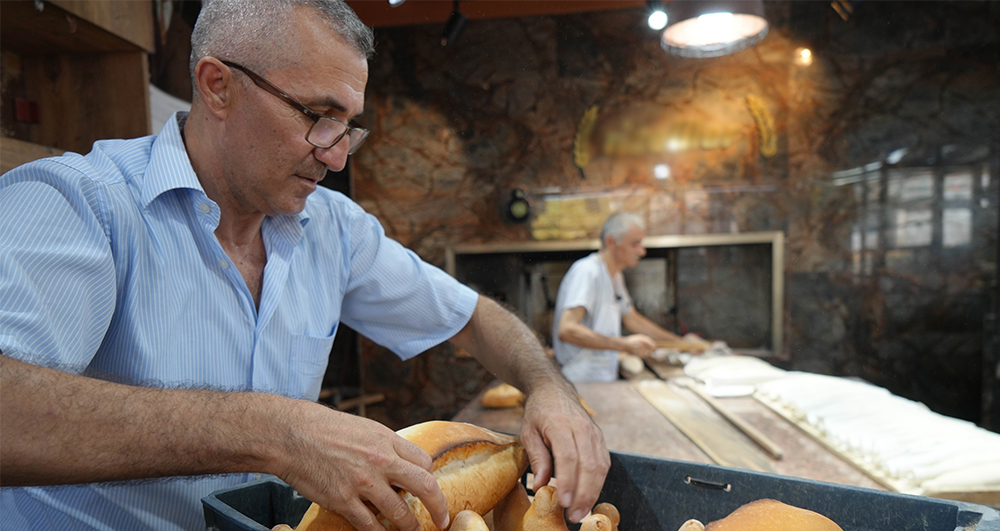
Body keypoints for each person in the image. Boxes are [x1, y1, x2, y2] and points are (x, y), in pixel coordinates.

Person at [0, 1, 608, 530]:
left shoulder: (333, 230)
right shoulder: (76, 203)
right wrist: (276, 432)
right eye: (318, 115)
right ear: (217, 86)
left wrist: (548, 388)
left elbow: (475, 319)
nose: (338, 157)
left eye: (349, 125)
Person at [552, 212, 683, 382]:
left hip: (601, 379)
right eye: (635, 244)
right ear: (611, 242)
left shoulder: (615, 276)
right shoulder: (588, 272)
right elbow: (567, 330)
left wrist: (680, 343)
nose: (642, 251)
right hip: (578, 379)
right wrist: (624, 345)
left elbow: (632, 319)